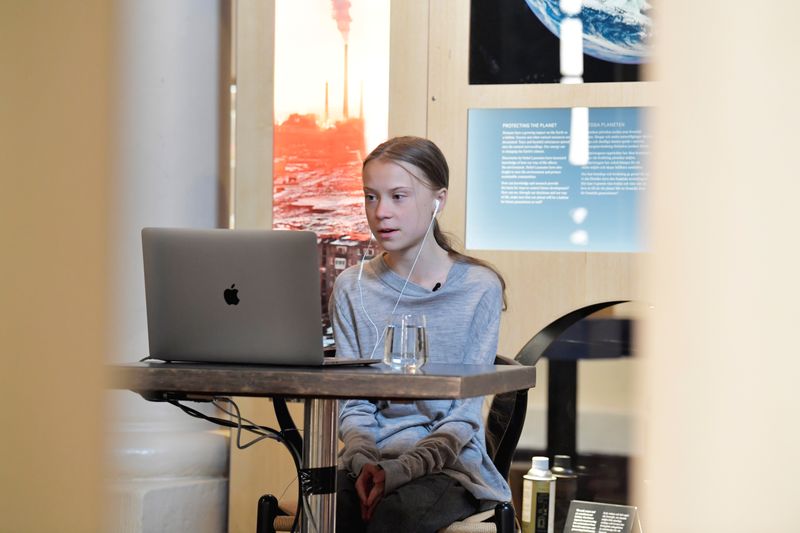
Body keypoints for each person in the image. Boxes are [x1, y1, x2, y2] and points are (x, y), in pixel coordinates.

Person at [329, 136, 510, 533]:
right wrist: (366, 464)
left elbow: (464, 416)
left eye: (398, 196)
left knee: (394, 516)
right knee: (330, 514)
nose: (381, 212)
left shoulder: (479, 287)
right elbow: (354, 405)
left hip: (449, 465)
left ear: (437, 200)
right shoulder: (351, 287)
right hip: (367, 461)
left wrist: (400, 471)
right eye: (371, 197)